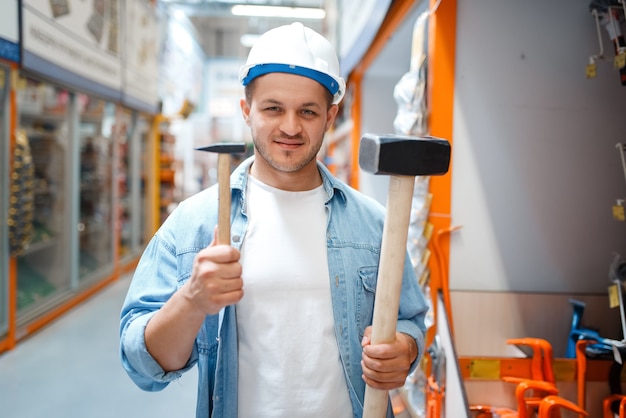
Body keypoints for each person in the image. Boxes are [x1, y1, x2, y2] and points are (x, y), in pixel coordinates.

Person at [119, 22, 429, 418]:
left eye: (308, 111)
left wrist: (405, 348)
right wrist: (193, 300)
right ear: (247, 110)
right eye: (273, 108)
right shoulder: (195, 223)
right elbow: (143, 365)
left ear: (330, 116)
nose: (290, 127)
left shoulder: (374, 225)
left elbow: (411, 320)